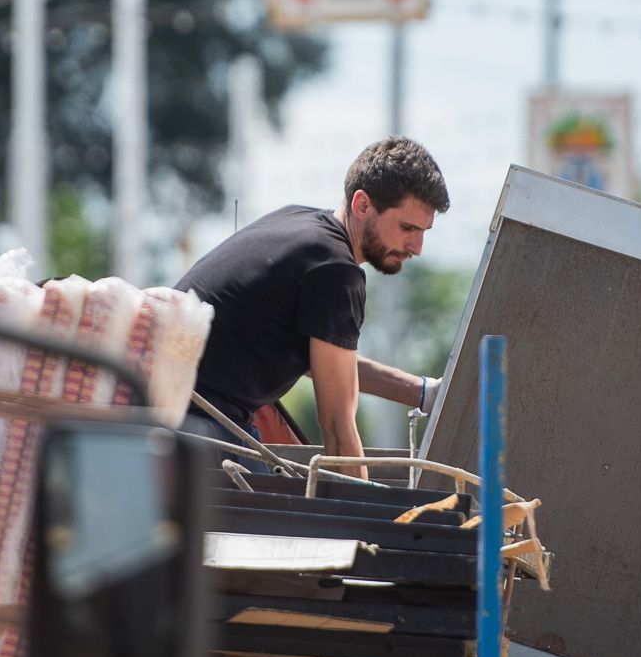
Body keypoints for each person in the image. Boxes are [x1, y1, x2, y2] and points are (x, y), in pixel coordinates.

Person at [176, 136, 449, 477]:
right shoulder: (336, 272)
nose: (418, 247)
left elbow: (328, 362)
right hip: (200, 425)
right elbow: (337, 427)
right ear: (362, 205)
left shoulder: (297, 223)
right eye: (407, 227)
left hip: (166, 410)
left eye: (424, 231)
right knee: (284, 519)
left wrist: (422, 393)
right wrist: (368, 523)